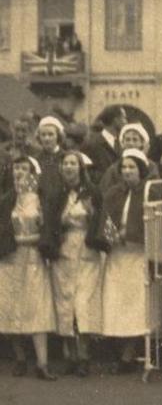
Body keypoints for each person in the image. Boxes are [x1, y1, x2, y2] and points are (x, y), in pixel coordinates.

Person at [43, 151, 104, 377]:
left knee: (83, 301)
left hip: (86, 249)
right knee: (65, 300)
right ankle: (70, 355)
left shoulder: (92, 192)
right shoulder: (56, 194)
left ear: (80, 167)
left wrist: (92, 214)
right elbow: (49, 222)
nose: (69, 167)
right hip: (64, 249)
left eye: (73, 163)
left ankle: (84, 354)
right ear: (61, 168)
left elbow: (104, 219)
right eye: (65, 163)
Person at [99, 149, 160, 374]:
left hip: (137, 255)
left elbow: (153, 225)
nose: (127, 171)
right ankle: (123, 352)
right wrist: (112, 236)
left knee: (136, 305)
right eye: (124, 167)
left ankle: (128, 354)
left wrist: (132, 236)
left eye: (131, 167)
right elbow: (106, 220)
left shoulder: (149, 193)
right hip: (117, 256)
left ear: (141, 170)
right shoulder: (113, 193)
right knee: (115, 303)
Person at [0, 156, 57, 380]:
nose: (19, 173)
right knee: (12, 305)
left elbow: (49, 229)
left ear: (33, 173)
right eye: (16, 169)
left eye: (24, 169)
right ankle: (20, 357)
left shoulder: (40, 200)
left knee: (37, 306)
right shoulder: (6, 200)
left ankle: (42, 363)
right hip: (11, 259)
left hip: (33, 257)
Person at [99, 123, 158, 193]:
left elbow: (154, 190)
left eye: (135, 140)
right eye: (127, 140)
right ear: (122, 143)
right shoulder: (113, 169)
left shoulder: (151, 166)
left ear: (142, 143)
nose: (131, 143)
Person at [82, 105, 128, 184]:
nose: (126, 122)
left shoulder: (122, 143)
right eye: (124, 118)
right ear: (116, 120)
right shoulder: (92, 143)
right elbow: (86, 170)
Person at [35, 116, 66, 201]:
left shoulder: (66, 158)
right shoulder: (35, 160)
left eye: (50, 134)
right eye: (43, 135)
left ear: (58, 136)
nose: (46, 138)